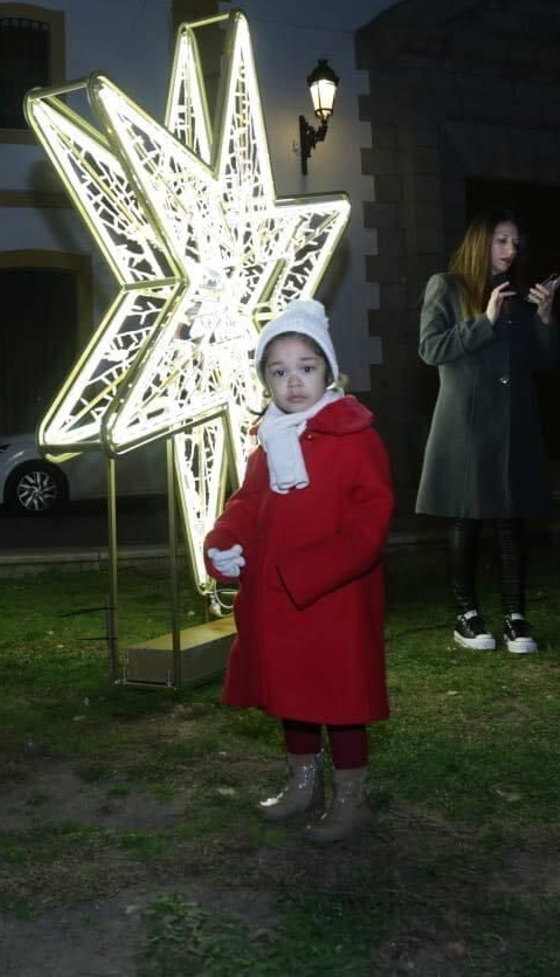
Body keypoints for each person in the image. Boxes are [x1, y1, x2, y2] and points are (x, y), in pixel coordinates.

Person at [204, 298, 394, 844]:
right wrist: (223, 543)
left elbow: (369, 522)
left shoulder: (354, 438)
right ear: (265, 379)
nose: (293, 383)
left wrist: (307, 571)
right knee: (294, 694)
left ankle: (351, 794)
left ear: (329, 372)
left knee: (340, 698)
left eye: (305, 368)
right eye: (278, 370)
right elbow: (248, 502)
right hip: (279, 601)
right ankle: (302, 781)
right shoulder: (271, 438)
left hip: (334, 601)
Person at [416, 209, 560, 654]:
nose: (511, 250)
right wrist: (486, 321)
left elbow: (544, 362)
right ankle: (468, 614)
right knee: (467, 517)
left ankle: (516, 616)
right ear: (482, 242)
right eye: (502, 240)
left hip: (514, 421)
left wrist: (544, 317)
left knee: (510, 519)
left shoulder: (517, 297)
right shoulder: (447, 286)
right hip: (466, 422)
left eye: (515, 243)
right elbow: (430, 348)